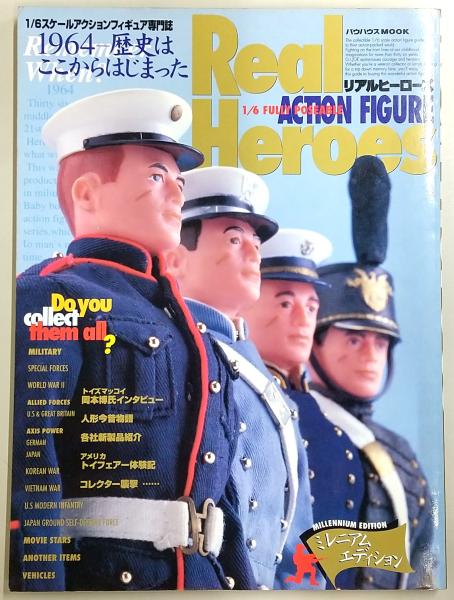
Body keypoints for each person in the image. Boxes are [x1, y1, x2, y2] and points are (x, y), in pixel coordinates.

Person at [10, 89, 256, 591]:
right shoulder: (52, 295)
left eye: (178, 182)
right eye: (156, 177)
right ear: (87, 194)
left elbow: (220, 496)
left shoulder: (194, 331)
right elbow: (28, 466)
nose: (177, 195)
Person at [165, 166, 323, 590]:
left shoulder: (266, 384)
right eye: (234, 240)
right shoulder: (173, 354)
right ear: (176, 259)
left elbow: (298, 537)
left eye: (255, 242)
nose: (254, 254)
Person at [308, 156, 433, 589]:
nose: (370, 355)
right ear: (315, 343)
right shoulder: (284, 425)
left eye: (381, 342)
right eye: (354, 339)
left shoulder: (402, 458)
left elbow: (422, 574)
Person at [243, 228, 366, 589]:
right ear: (247, 301)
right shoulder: (239, 399)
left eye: (311, 307)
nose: (303, 320)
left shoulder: (323, 415)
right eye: (285, 304)